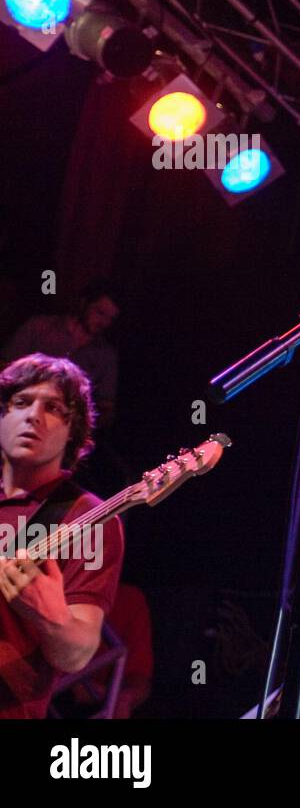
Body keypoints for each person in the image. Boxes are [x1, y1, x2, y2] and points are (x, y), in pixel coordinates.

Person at [0, 354, 125, 718]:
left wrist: (49, 614)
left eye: (53, 408)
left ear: (73, 430)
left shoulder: (84, 516)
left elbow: (78, 653)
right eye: (20, 402)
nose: (34, 416)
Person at [2, 280, 121, 430]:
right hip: (16, 417)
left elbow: (106, 408)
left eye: (110, 319)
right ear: (84, 303)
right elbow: (4, 367)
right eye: (100, 313)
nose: (103, 323)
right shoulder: (39, 327)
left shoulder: (106, 355)